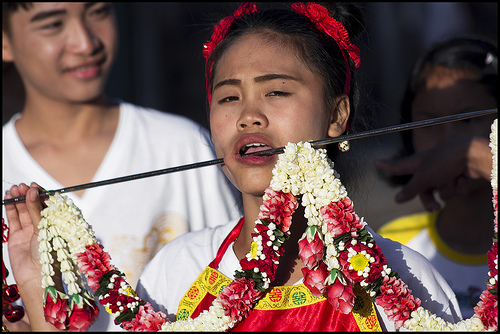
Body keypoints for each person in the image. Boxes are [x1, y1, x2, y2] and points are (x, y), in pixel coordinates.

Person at [5, 2, 472, 331]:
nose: (249, 115)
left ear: (337, 117)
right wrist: (36, 294)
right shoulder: (177, 273)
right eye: (229, 97)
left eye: (277, 92)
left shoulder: (404, 280)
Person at [2, 2, 241, 331]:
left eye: (98, 12)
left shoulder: (182, 146)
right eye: (52, 24)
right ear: (5, 40)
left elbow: (240, 279)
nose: (85, 43)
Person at [376, 36, 497, 319]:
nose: (449, 142)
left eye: (468, 120)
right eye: (430, 124)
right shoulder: (396, 248)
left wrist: (477, 157)